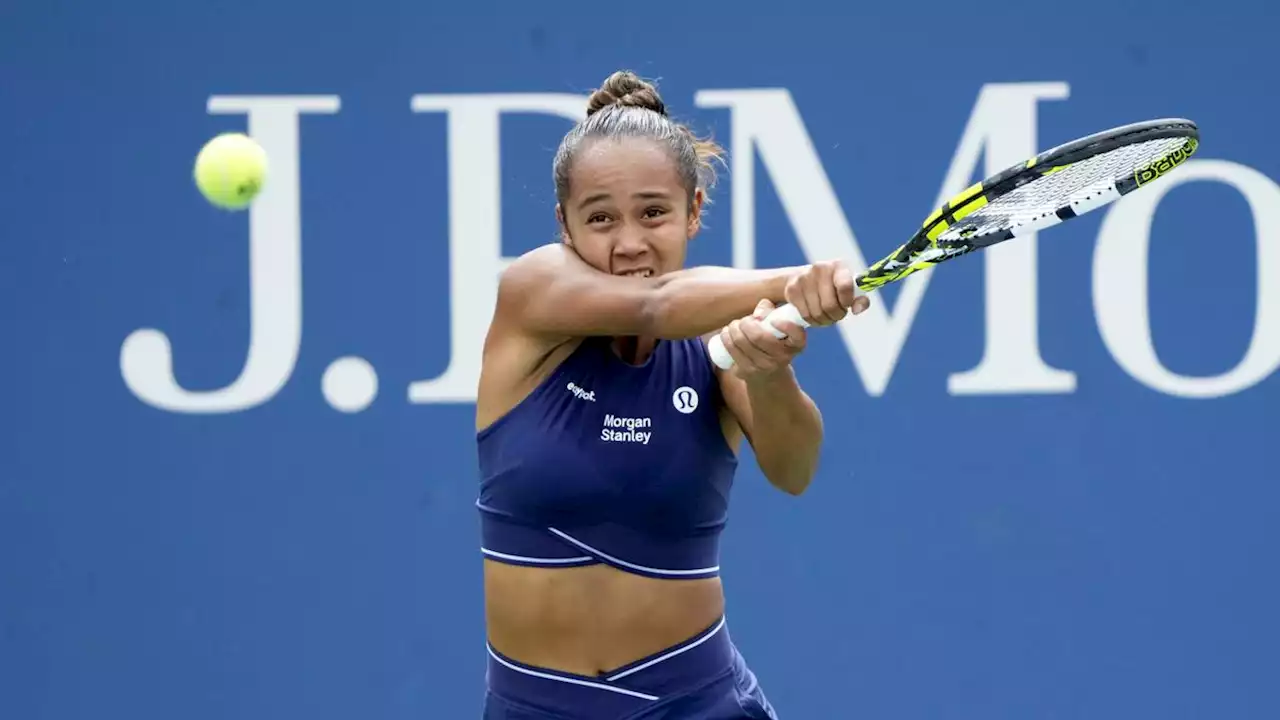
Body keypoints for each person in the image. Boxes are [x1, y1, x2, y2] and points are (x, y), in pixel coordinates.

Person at [474, 69, 870, 719]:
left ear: (692, 211)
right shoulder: (532, 292)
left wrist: (768, 372)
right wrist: (797, 280)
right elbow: (656, 303)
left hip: (697, 700)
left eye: (653, 212)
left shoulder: (716, 339)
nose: (629, 242)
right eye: (600, 218)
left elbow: (794, 469)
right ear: (564, 227)